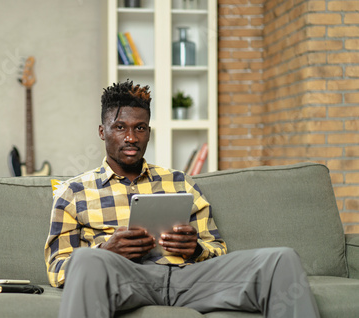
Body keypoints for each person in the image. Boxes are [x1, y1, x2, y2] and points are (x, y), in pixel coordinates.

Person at [44, 80, 320, 318]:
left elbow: (217, 250)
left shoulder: (180, 182)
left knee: (281, 259)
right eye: (120, 127)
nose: (131, 137)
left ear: (149, 132)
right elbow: (58, 270)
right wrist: (106, 252)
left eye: (140, 128)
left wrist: (195, 248)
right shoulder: (73, 192)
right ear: (103, 132)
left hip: (189, 279)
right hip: (126, 280)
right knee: (86, 260)